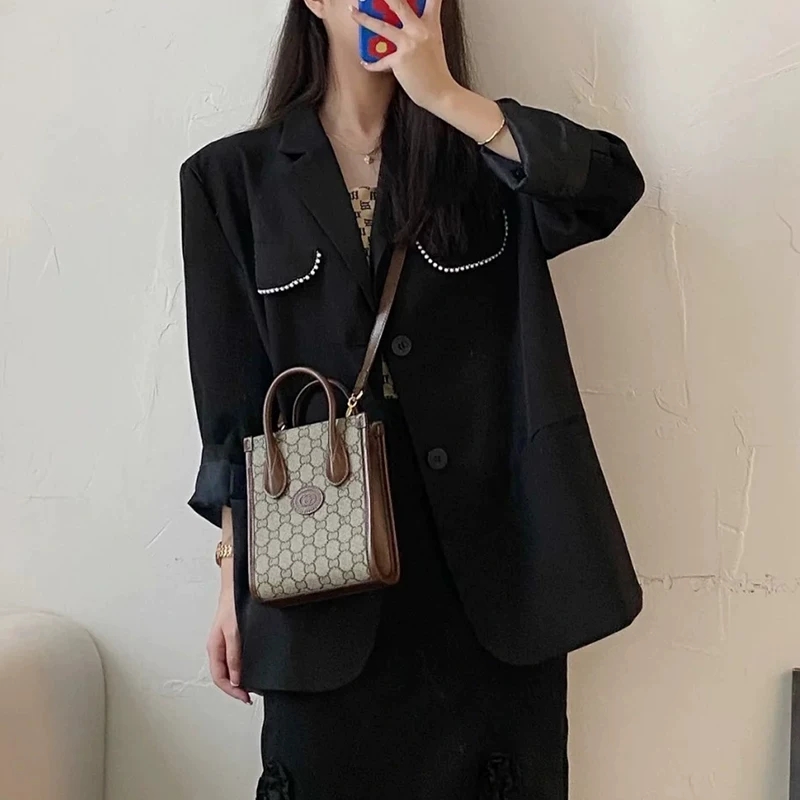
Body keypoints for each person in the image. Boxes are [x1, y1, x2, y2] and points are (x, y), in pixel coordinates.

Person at [179, 0, 645, 797]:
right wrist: (233, 581)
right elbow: (232, 413)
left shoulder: (486, 160)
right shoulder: (230, 181)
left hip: (494, 577)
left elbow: (609, 186)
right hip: (321, 573)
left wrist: (448, 99)